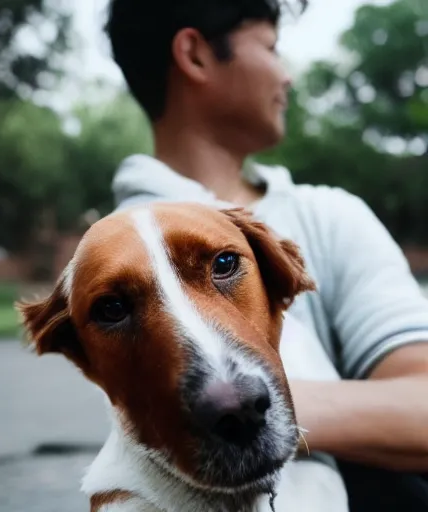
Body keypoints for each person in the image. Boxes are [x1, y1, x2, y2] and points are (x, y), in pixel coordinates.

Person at [103, 0, 428, 509]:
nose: (287, 76)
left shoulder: (328, 215)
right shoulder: (108, 271)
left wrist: (235, 408)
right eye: (272, 48)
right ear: (196, 55)